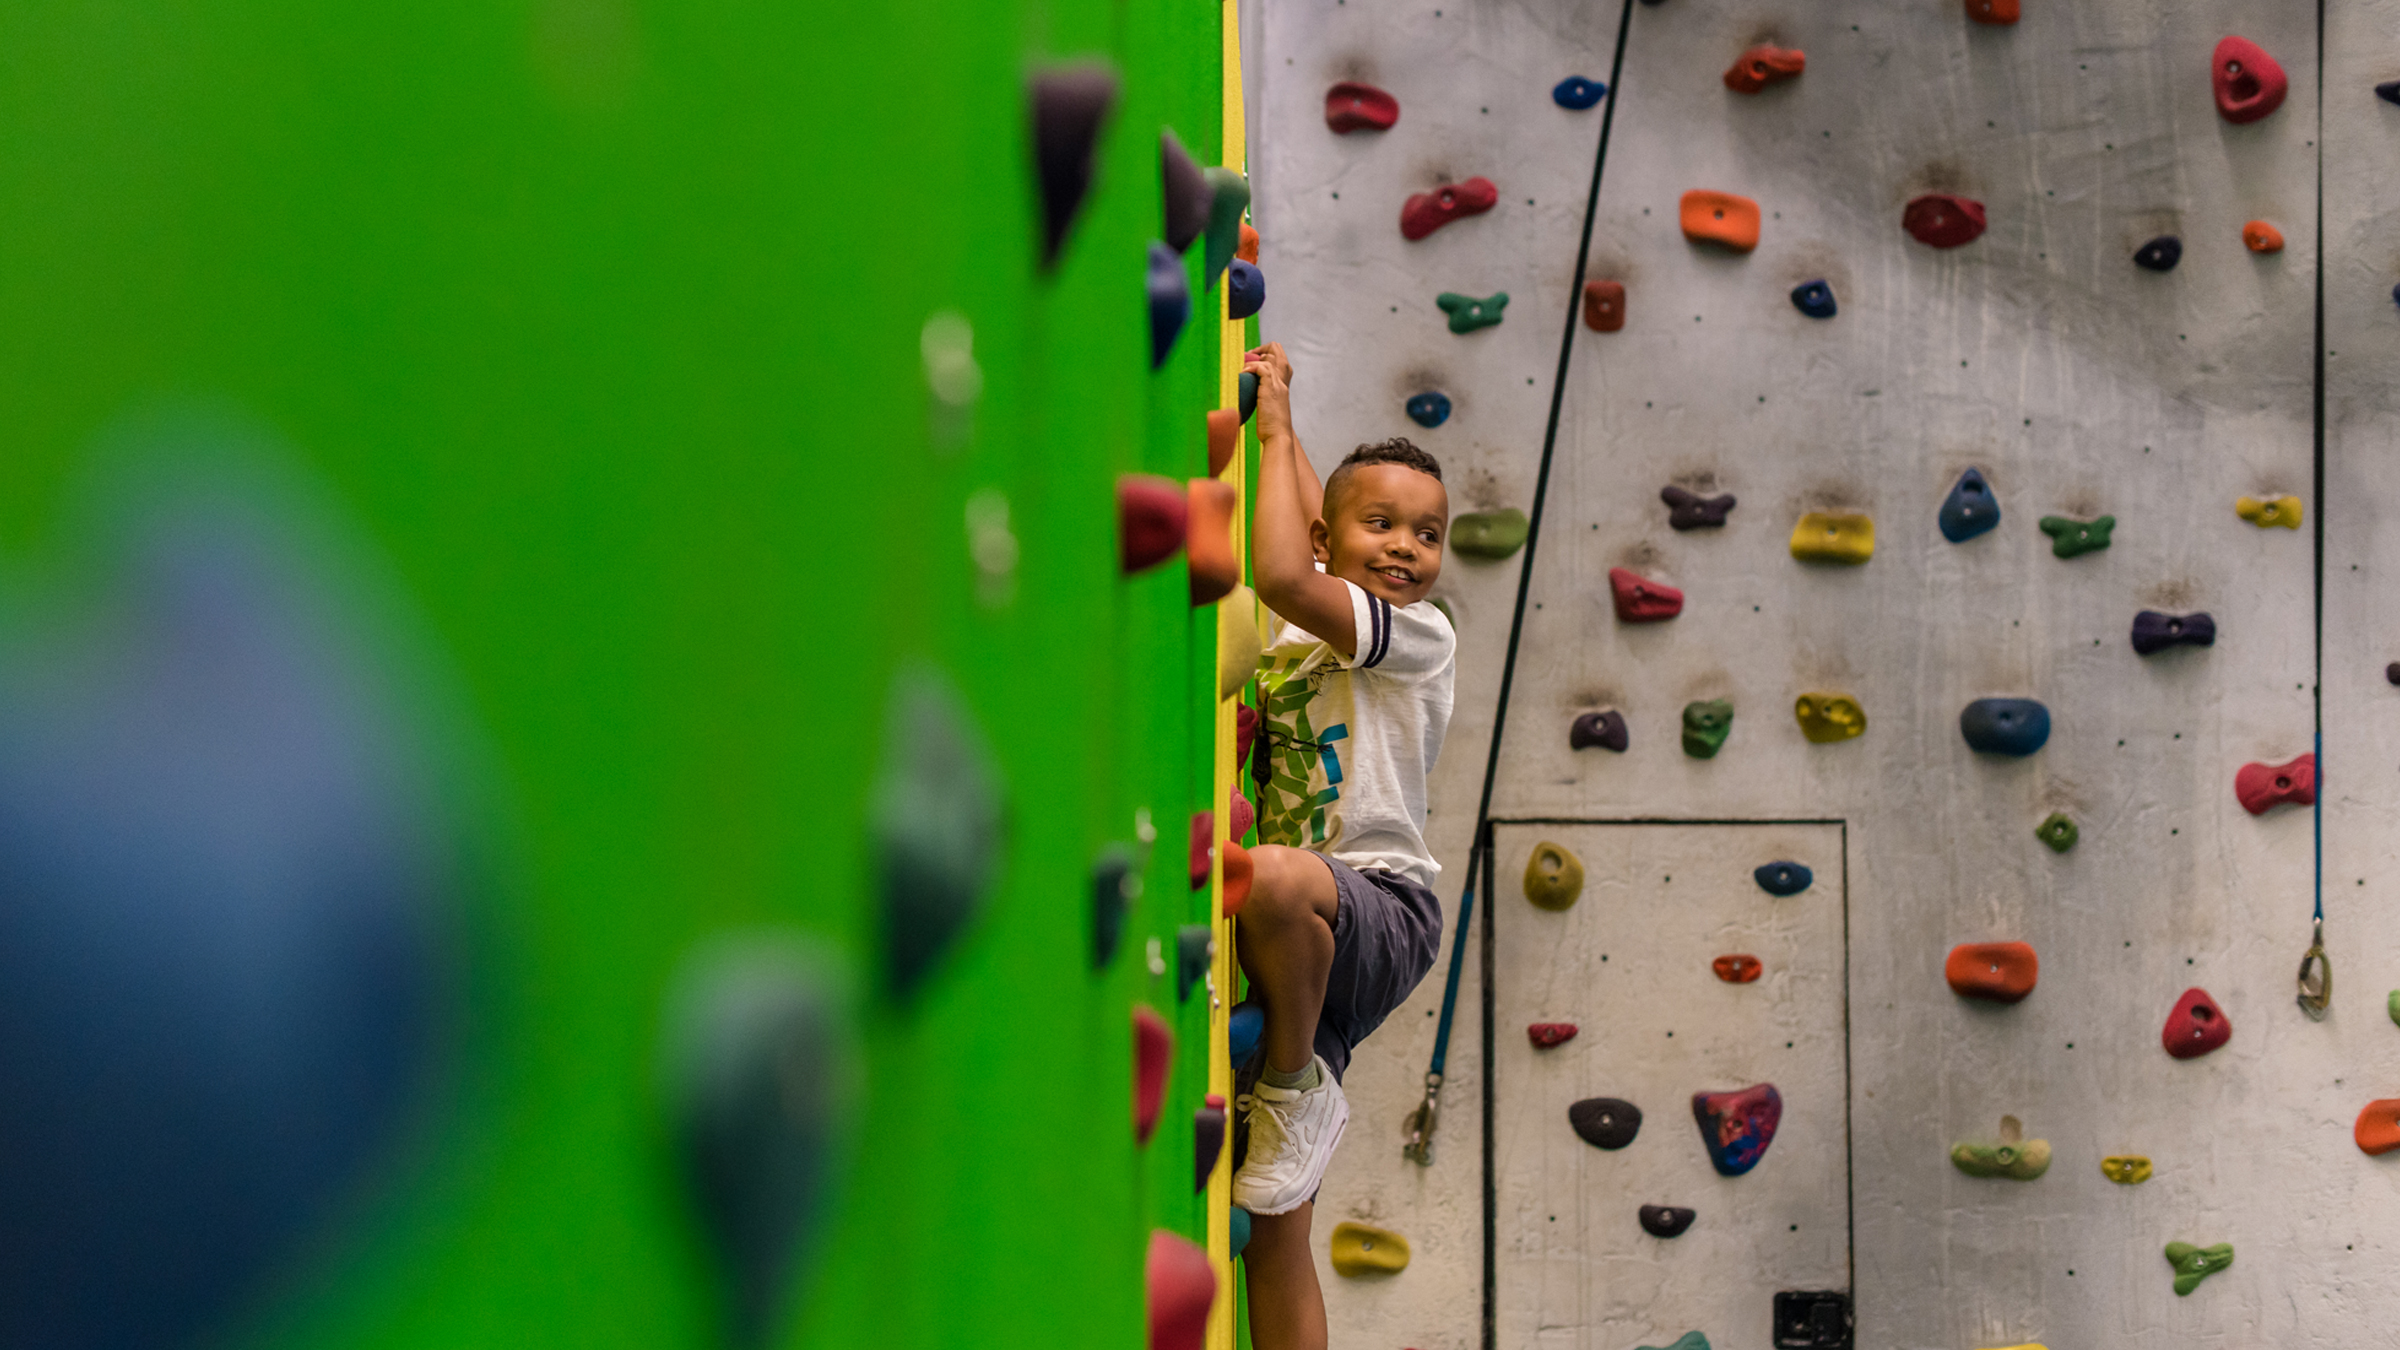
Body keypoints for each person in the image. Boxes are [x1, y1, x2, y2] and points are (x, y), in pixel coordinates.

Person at [1231, 342, 1455, 1350]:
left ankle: (1291, 1084)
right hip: (1308, 938)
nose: (1408, 548)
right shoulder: (1304, 631)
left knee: (1272, 879)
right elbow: (1315, 536)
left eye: (1430, 534)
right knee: (1274, 1222)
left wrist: (1272, 427)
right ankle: (1296, 1092)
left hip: (1379, 905)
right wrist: (1284, 406)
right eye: (1386, 526)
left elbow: (1285, 567)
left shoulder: (1418, 635)